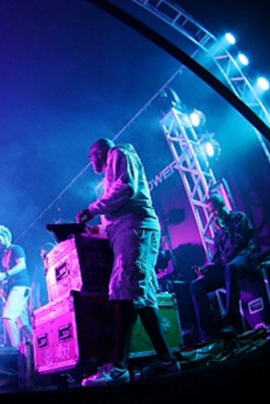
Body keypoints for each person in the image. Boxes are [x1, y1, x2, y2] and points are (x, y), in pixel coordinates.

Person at [75, 138, 179, 386]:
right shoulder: (113, 164)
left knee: (123, 288)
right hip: (130, 229)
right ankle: (166, 359)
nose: (91, 163)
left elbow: (125, 189)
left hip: (136, 229)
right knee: (137, 294)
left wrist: (92, 208)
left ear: (98, 152)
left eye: (91, 157)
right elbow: (117, 209)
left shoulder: (118, 154)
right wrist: (95, 230)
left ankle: (119, 367)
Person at [190, 193, 256, 343]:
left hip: (245, 258)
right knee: (196, 286)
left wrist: (225, 228)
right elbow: (217, 259)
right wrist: (206, 269)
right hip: (227, 267)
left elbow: (239, 243)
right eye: (211, 212)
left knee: (231, 267)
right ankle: (208, 334)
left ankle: (232, 322)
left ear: (222, 206)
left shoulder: (239, 218)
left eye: (215, 210)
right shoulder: (218, 233)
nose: (213, 214)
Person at [0, 225, 33, 348]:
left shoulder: (16, 249)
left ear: (6, 236)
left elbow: (22, 265)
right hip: (14, 288)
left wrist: (5, 274)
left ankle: (16, 349)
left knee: (7, 316)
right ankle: (38, 346)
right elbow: (7, 277)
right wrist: (3, 285)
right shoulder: (4, 256)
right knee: (23, 324)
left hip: (20, 286)